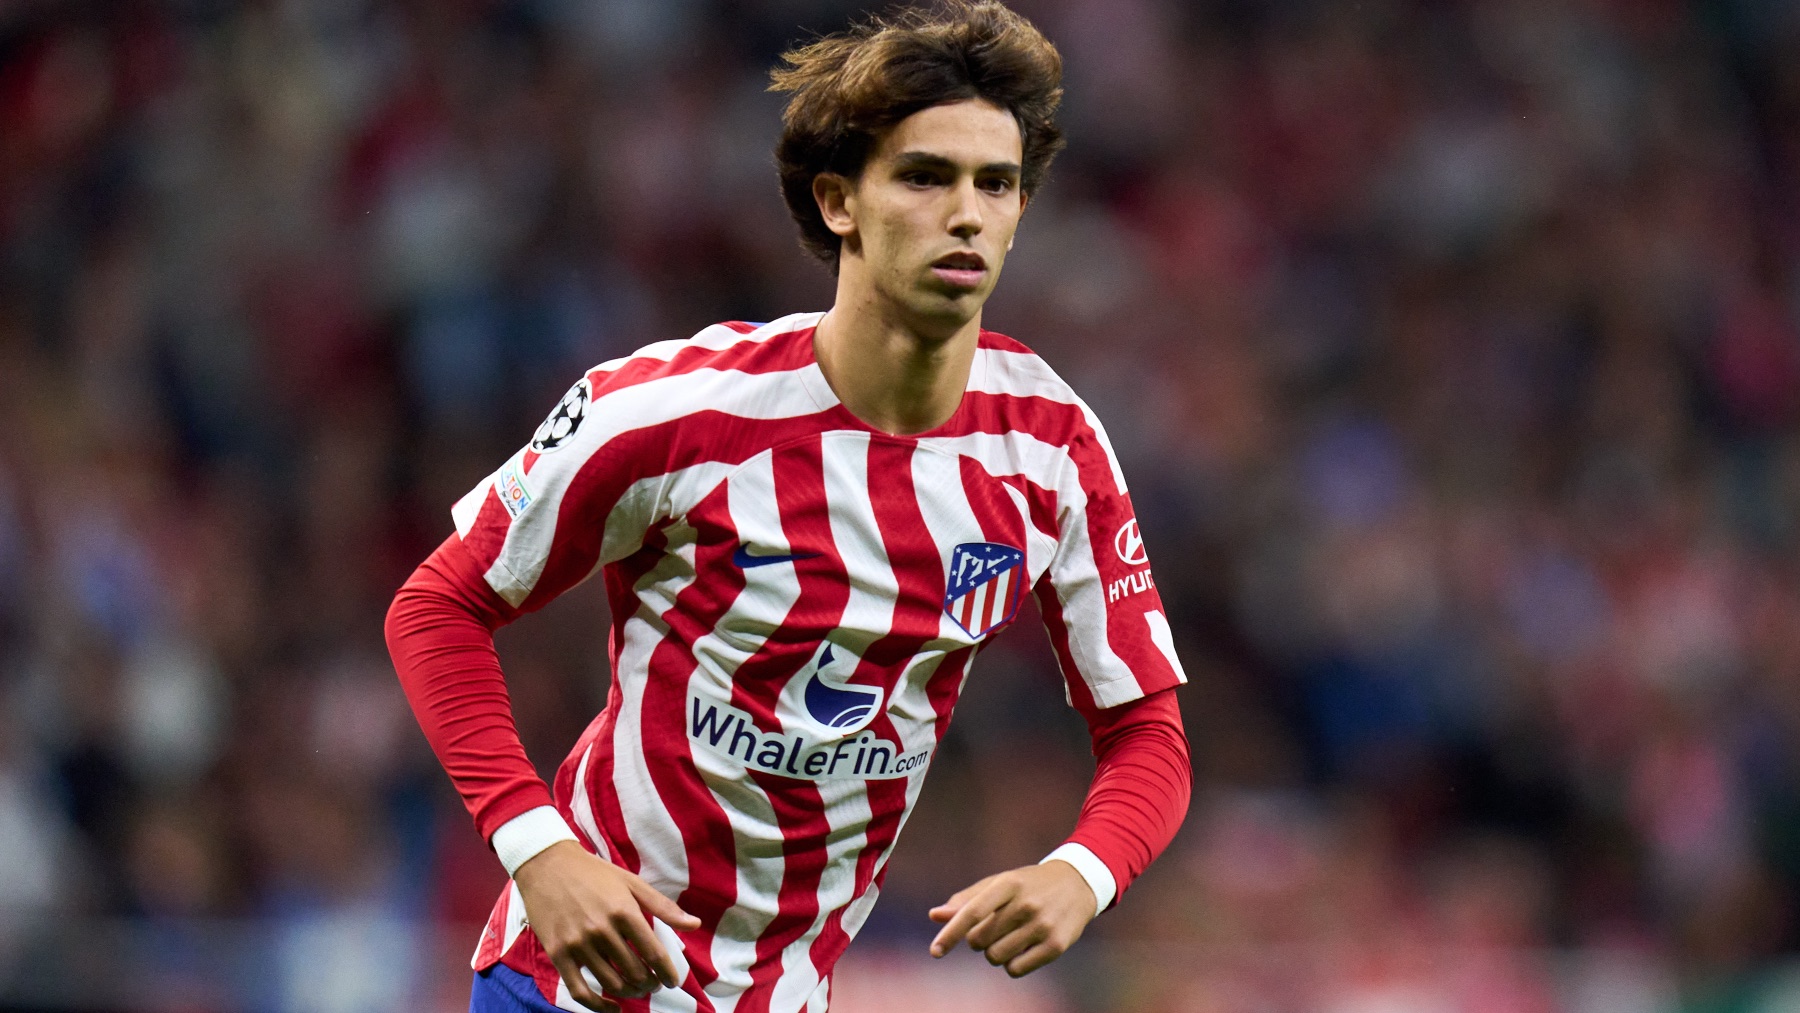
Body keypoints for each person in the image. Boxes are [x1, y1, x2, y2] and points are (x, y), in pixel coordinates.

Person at [384, 3, 1191, 1010]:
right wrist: (538, 849)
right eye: (925, 176)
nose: (969, 212)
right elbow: (435, 606)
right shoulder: (675, 410)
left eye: (997, 183)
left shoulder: (1051, 448)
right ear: (838, 201)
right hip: (571, 989)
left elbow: (1148, 726)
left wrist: (1084, 869)